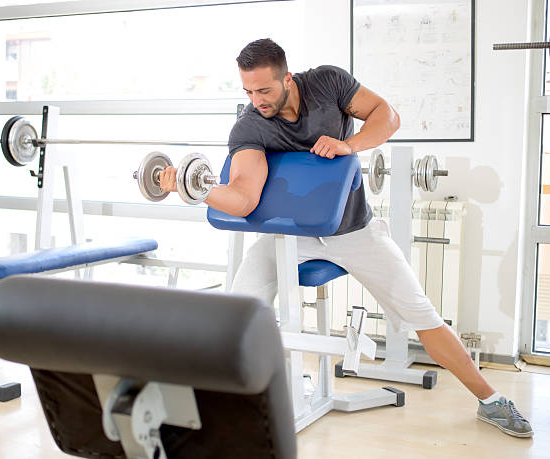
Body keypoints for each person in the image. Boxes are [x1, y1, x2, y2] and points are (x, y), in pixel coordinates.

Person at [159, 38, 533, 438]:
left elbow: (386, 116)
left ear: (287, 77)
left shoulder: (327, 84)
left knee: (420, 313)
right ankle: (222, 404)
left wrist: (348, 145)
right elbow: (245, 198)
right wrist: (197, 188)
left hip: (354, 230)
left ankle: (491, 400)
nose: (257, 100)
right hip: (290, 236)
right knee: (239, 307)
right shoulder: (251, 125)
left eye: (264, 90)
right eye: (248, 91)